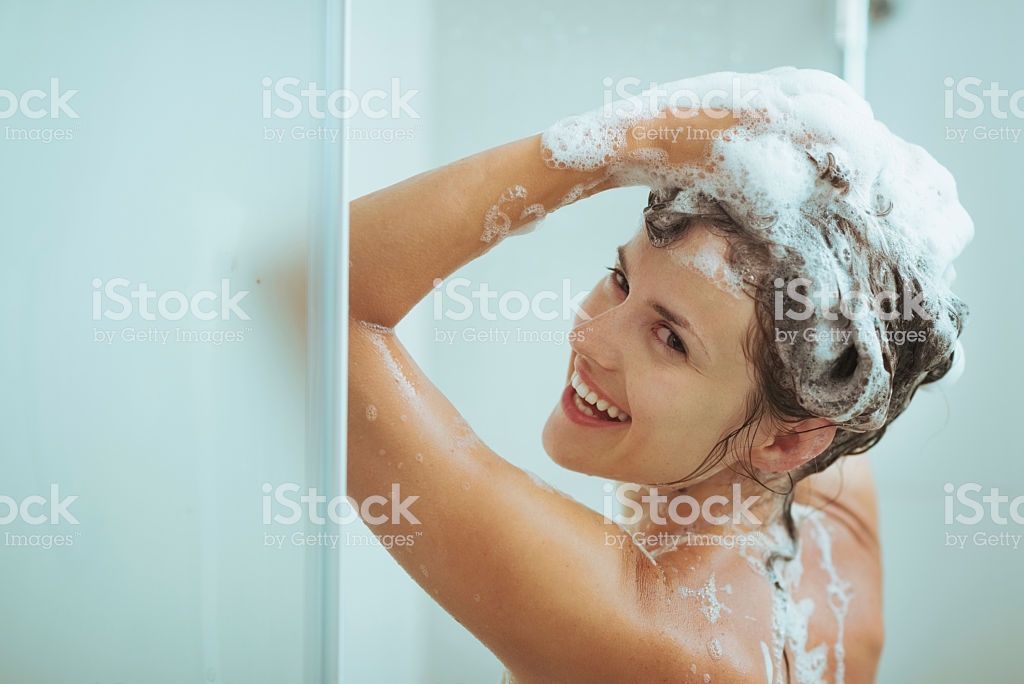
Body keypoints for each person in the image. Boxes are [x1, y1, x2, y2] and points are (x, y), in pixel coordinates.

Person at [347, 68, 971, 683]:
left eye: (670, 339)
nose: (586, 335)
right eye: (620, 280)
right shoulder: (835, 535)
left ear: (788, 441)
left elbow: (329, 299)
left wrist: (618, 143)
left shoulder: (642, 628)